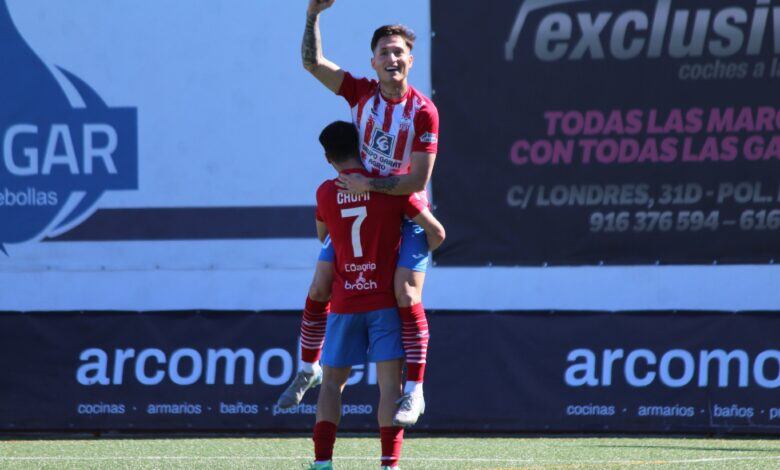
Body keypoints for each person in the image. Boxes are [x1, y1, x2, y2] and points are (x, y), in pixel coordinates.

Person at [282, 0, 441, 427]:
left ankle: (415, 391)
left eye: (399, 51)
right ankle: (308, 366)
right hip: (362, 205)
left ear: (410, 59)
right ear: (373, 61)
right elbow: (312, 63)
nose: (392, 58)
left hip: (403, 212)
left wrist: (369, 184)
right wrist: (313, 15)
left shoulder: (424, 112)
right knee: (320, 283)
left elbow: (416, 181)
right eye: (384, 52)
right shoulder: (360, 93)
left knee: (406, 294)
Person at [307, 121, 445, 470]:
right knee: (389, 388)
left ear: (328, 158)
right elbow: (435, 231)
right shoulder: (390, 189)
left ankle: (322, 464)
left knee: (331, 386)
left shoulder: (325, 192)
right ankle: (388, 464)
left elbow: (325, 236)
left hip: (344, 302)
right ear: (363, 146)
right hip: (383, 301)